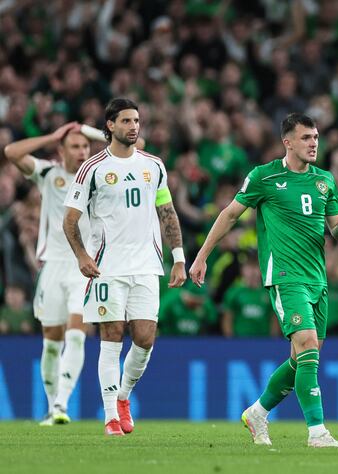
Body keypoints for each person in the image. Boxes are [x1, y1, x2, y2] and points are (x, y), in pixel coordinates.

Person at [189, 113, 338, 448]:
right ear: (288, 142)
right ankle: (317, 431)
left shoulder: (324, 180)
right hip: (284, 275)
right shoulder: (264, 176)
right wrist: (202, 255)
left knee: (302, 357)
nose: (313, 143)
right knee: (307, 343)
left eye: (316, 137)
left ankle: (258, 412)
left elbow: (334, 226)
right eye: (306, 137)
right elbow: (230, 214)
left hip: (316, 279)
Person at [63, 98, 187, 436]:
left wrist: (178, 258)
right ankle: (109, 418)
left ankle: (123, 397)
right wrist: (82, 257)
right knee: (111, 335)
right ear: (111, 126)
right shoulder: (92, 168)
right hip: (108, 268)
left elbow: (168, 213)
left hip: (147, 266)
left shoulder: (154, 166)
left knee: (145, 338)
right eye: (126, 121)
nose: (134, 126)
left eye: (136, 120)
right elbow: (70, 221)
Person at [4, 122, 101, 425]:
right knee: (51, 343)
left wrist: (91, 130)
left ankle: (61, 404)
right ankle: (51, 406)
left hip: (83, 266)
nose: (82, 152)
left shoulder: (100, 176)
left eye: (85, 146)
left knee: (76, 337)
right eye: (75, 146)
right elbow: (11, 151)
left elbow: (138, 146)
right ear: (62, 151)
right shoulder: (49, 174)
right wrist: (53, 135)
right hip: (52, 267)